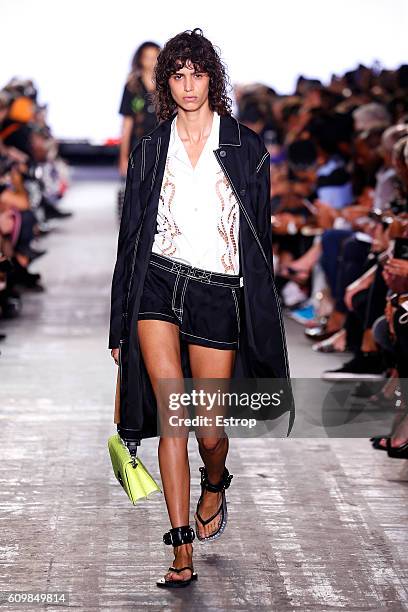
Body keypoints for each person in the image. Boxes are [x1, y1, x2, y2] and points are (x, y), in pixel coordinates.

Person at [108, 27, 294, 589]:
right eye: (178, 76)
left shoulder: (246, 146)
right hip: (157, 286)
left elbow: (259, 241)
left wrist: (261, 312)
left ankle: (215, 481)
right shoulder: (150, 148)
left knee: (209, 431)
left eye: (198, 74)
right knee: (174, 418)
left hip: (217, 290)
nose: (189, 86)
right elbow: (132, 239)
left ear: (214, 78)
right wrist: (120, 321)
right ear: (165, 84)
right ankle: (180, 548)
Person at [118, 41, 161, 177]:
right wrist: (123, 157)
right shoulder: (132, 87)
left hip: (161, 144)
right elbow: (127, 123)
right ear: (140, 59)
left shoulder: (166, 86)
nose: (152, 62)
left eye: (155, 57)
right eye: (147, 57)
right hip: (137, 146)